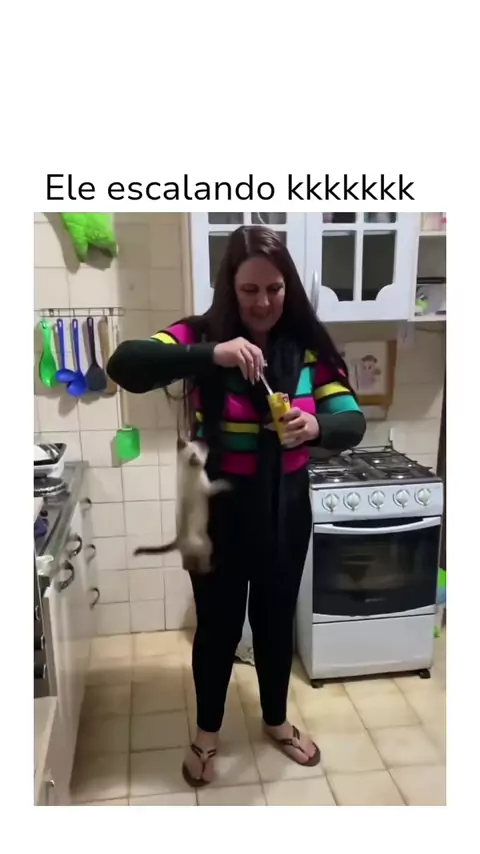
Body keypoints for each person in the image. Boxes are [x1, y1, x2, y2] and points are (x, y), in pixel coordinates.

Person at [107, 225, 366, 788]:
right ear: (230, 286)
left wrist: (316, 426)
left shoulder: (307, 346)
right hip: (216, 514)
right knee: (218, 628)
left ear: (289, 287)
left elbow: (352, 419)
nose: (263, 302)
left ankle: (276, 721)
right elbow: (125, 364)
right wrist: (212, 354)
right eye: (250, 290)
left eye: (274, 288)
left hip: (285, 510)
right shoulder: (201, 336)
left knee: (275, 623)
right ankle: (207, 734)